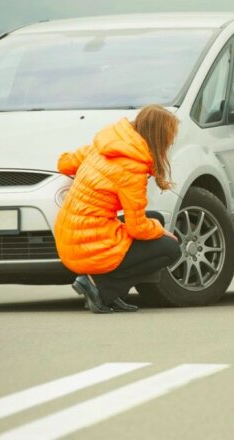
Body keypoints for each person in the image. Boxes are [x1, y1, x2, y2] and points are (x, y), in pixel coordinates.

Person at [54, 105, 182, 314]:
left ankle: (112, 292)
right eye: (170, 136)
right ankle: (100, 287)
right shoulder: (132, 168)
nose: (171, 142)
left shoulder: (105, 146)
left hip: (69, 233)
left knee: (155, 217)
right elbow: (137, 228)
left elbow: (64, 163)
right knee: (170, 248)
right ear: (158, 137)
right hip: (87, 244)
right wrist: (160, 231)